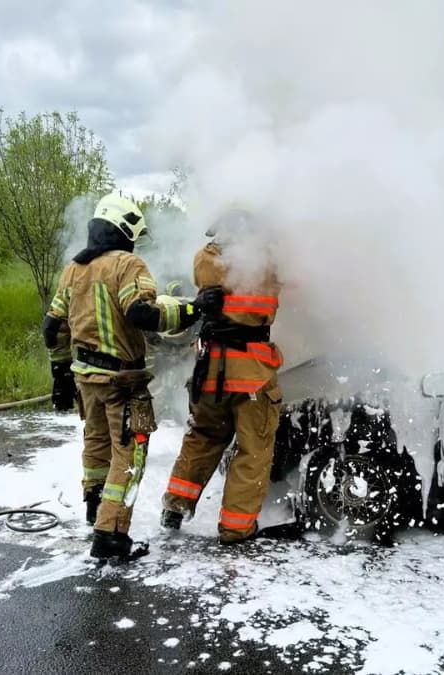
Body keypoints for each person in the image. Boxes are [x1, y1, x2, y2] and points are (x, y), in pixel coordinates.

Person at [42, 193, 222, 560]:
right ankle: (111, 535)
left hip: (85, 379)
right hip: (121, 381)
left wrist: (59, 373)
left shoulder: (75, 268)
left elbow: (51, 327)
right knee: (130, 455)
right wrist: (193, 309)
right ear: (124, 230)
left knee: (96, 447)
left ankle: (95, 511)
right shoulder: (127, 264)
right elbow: (142, 314)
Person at [160, 209, 286, 543]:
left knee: (203, 436)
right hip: (251, 374)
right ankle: (236, 528)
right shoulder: (263, 263)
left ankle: (175, 506)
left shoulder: (205, 260)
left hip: (210, 367)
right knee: (253, 451)